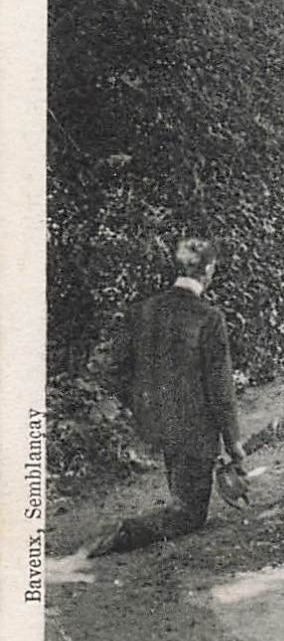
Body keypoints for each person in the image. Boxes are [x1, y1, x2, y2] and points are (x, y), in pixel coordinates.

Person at [89, 238, 246, 557]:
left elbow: (113, 368)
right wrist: (233, 443)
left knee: (183, 492)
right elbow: (220, 387)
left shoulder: (143, 311)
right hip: (195, 428)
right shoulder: (208, 317)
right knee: (189, 515)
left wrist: (139, 403)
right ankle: (128, 532)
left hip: (158, 425)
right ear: (210, 270)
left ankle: (143, 522)